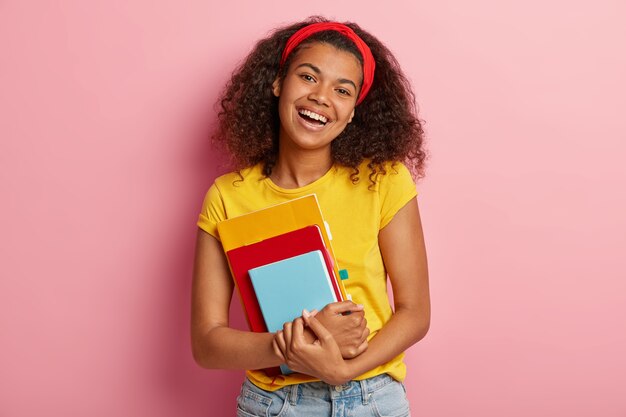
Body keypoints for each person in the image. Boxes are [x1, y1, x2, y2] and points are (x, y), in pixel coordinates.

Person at [191, 16, 430, 417]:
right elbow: (207, 343)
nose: (321, 97)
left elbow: (415, 312)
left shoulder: (383, 181)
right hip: (275, 404)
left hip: (372, 399)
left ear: (353, 111)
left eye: (342, 89)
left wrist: (343, 369)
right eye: (308, 77)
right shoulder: (228, 196)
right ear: (277, 83)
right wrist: (298, 343)